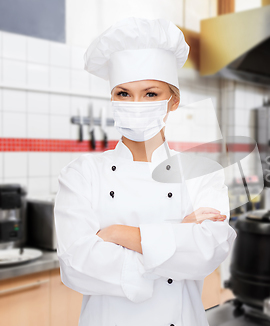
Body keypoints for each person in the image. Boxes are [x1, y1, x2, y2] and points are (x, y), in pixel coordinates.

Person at [54, 17, 237, 326]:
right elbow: (76, 266)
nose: (135, 104)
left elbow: (209, 251)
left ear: (173, 101)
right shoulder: (82, 173)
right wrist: (177, 237)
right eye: (123, 94)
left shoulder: (201, 172)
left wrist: (116, 235)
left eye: (151, 94)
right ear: (112, 99)